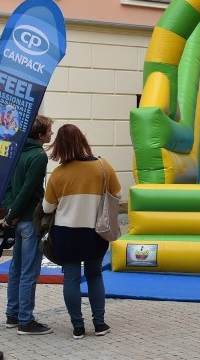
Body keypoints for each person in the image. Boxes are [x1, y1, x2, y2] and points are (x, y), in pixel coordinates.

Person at [43, 124, 121, 340]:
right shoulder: (103, 166)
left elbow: (47, 208)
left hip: (66, 233)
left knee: (71, 278)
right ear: (82, 140)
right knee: (95, 275)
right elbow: (117, 193)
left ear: (59, 146)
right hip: (95, 231)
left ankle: (77, 327)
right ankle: (99, 324)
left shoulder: (58, 175)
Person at [0, 114, 53, 335]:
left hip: (18, 218)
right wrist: (15, 213)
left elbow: (9, 188)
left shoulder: (17, 152)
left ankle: (12, 314)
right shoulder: (39, 157)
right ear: (40, 135)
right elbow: (29, 189)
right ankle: (25, 320)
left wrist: (10, 211)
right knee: (29, 271)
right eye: (49, 131)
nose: (52, 134)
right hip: (30, 219)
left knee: (16, 268)